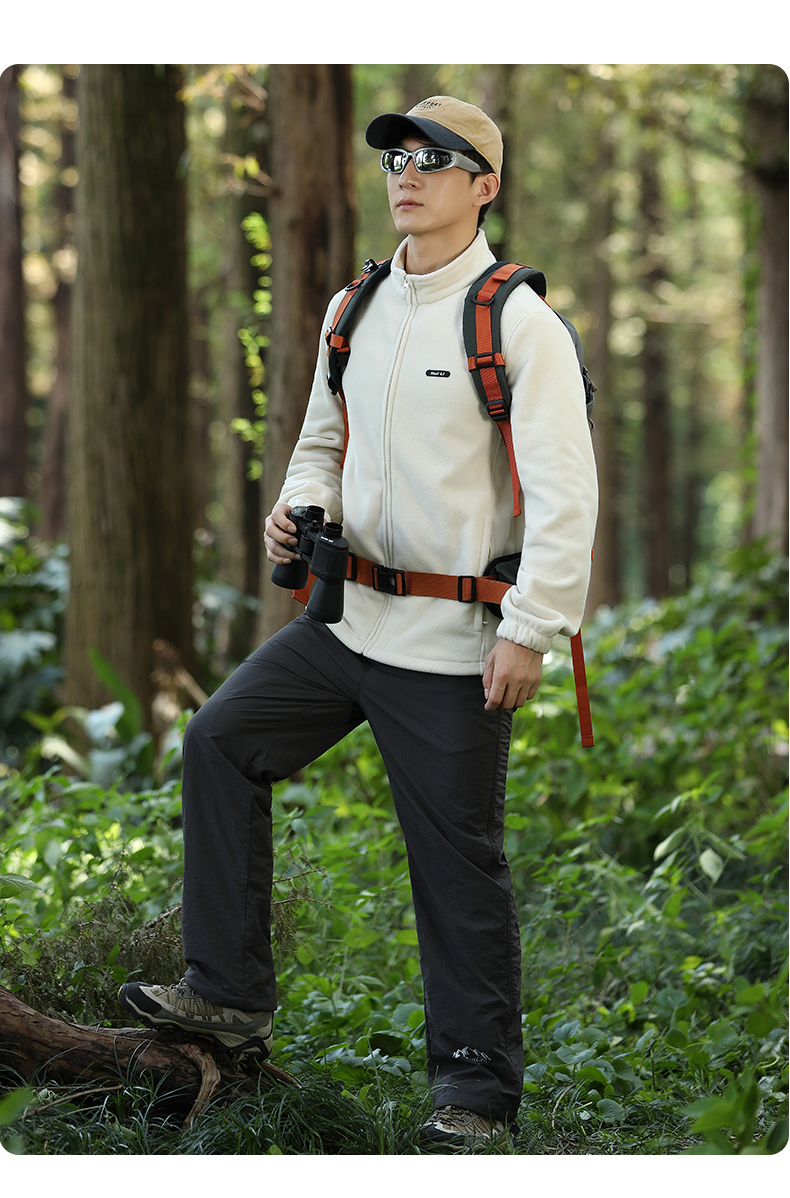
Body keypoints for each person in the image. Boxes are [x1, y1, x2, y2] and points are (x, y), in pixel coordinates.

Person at [119, 95, 598, 1149]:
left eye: (435, 160)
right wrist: (300, 509)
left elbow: (568, 498)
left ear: (484, 186)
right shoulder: (357, 305)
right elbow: (320, 444)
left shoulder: (518, 323)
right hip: (342, 627)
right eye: (396, 158)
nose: (407, 174)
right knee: (220, 741)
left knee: (456, 867)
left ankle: (475, 1096)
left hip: (454, 647)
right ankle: (227, 995)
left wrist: (531, 628)